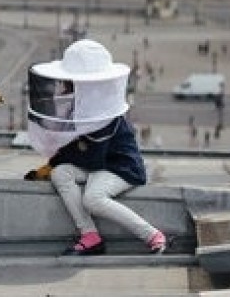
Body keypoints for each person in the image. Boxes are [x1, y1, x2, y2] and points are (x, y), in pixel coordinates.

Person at [24, 39, 168, 256]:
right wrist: (51, 166)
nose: (62, 87)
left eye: (66, 82)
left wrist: (54, 162)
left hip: (121, 168)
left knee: (93, 198)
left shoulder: (103, 115)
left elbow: (89, 156)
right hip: (99, 163)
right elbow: (77, 149)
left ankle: (153, 235)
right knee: (60, 173)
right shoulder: (88, 106)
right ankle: (90, 236)